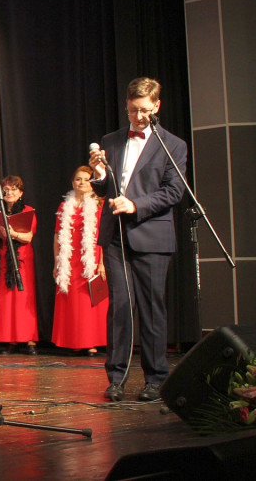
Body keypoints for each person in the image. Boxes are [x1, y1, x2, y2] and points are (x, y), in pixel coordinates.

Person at [89, 76, 186, 402]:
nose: (138, 117)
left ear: (157, 106)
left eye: (144, 111)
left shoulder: (173, 145)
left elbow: (174, 191)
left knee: (151, 308)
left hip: (152, 236)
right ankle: (116, 378)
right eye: (133, 111)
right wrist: (99, 175)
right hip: (115, 236)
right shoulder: (112, 140)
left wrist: (136, 204)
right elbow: (104, 187)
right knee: (119, 307)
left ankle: (156, 379)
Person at [51, 166, 107, 354]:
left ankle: (91, 342)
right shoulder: (64, 206)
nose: (81, 182)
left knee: (88, 300)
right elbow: (57, 235)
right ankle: (72, 342)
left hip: (92, 255)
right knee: (71, 300)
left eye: (86, 179)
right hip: (69, 258)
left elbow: (105, 235)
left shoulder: (99, 204)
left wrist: (101, 263)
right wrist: (57, 262)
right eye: (78, 179)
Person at [0, 175, 39, 355]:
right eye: (6, 189)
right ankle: (10, 340)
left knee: (23, 298)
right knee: (6, 300)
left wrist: (12, 233)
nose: (9, 192)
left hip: (21, 258)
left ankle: (29, 340)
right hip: (3, 257)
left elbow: (28, 237)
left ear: (21, 193)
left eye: (13, 189)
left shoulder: (27, 210)